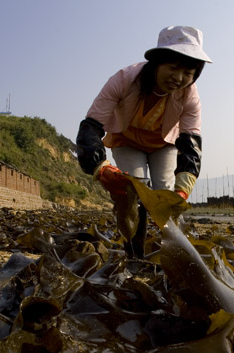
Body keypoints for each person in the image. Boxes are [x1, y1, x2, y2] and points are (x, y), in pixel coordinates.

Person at [76, 26, 212, 257]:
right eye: (172, 68)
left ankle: (173, 252)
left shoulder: (190, 95)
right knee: (130, 189)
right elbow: (91, 125)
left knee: (166, 194)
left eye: (188, 73)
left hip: (163, 144)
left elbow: (191, 141)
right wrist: (99, 166)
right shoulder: (124, 80)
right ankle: (133, 249)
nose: (178, 78)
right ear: (157, 62)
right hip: (126, 139)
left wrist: (183, 187)